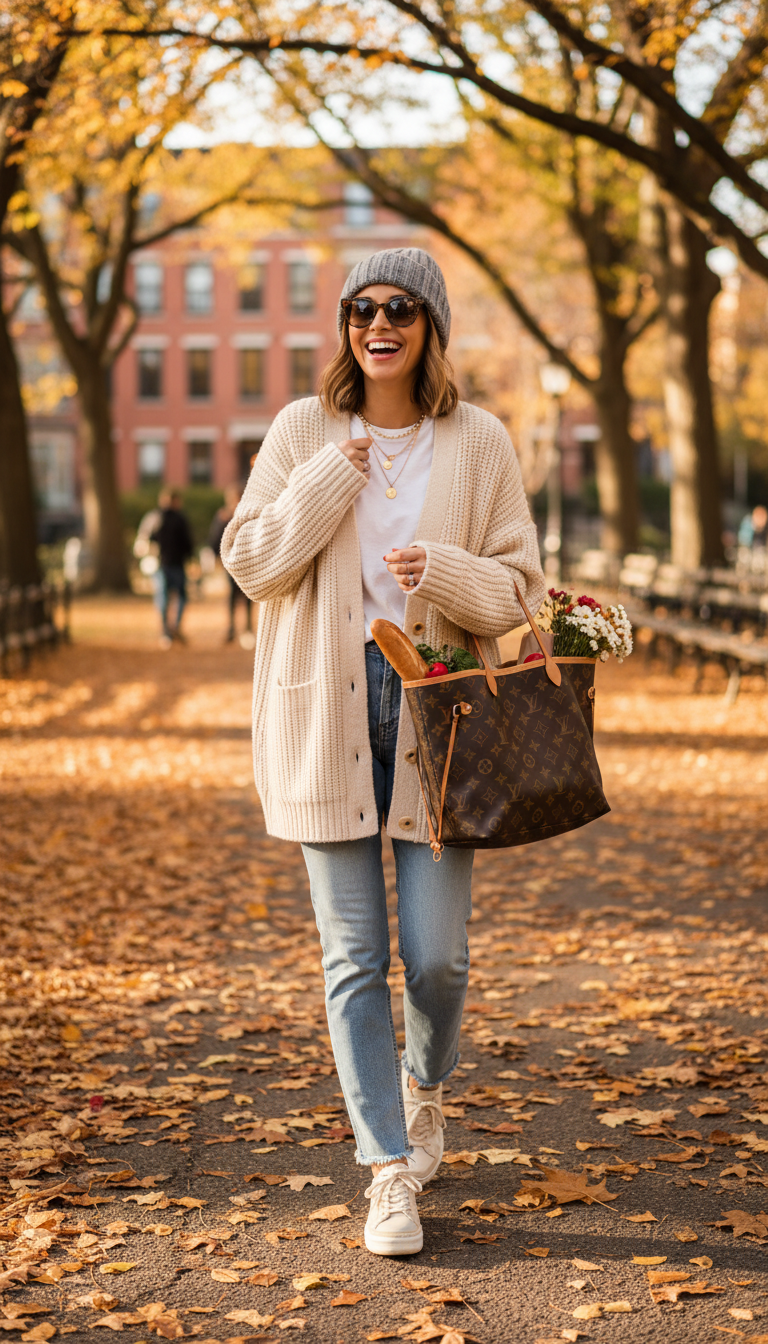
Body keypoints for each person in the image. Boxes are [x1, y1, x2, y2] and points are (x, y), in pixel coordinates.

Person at [221, 248, 545, 1257]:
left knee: (438, 959)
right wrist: (328, 480)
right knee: (354, 959)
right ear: (347, 326)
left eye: (401, 308)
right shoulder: (303, 432)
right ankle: (386, 1171)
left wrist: (443, 570)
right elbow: (249, 563)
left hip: (436, 721)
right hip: (325, 718)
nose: (380, 322)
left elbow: (522, 589)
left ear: (428, 327)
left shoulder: (478, 439)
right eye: (362, 308)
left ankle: (424, 1087)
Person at [208, 486, 253, 644]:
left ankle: (247, 628)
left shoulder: (247, 515)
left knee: (248, 596)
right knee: (232, 597)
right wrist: (217, 557)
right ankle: (232, 628)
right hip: (231, 563)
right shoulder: (223, 517)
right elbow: (215, 539)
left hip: (247, 563)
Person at [151, 489, 193, 648]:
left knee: (163, 598)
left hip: (161, 564)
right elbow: (187, 542)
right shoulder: (180, 518)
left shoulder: (155, 518)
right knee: (181, 596)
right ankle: (175, 626)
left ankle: (165, 631)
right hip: (176, 564)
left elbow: (149, 539)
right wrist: (190, 558)